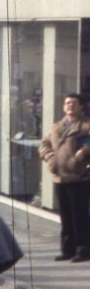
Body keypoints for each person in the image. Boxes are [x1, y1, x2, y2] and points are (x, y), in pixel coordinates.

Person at [38, 92, 90, 262]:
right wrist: (51, 159)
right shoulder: (56, 127)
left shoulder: (86, 125)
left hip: (79, 177)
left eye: (74, 103)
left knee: (79, 216)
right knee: (65, 216)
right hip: (60, 177)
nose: (70, 106)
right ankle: (67, 249)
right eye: (67, 103)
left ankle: (83, 250)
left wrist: (80, 156)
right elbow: (44, 144)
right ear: (63, 106)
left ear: (81, 106)